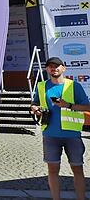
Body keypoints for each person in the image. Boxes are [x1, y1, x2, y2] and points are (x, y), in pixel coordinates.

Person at [30, 57, 89, 200]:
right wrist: (35, 108)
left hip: (72, 136)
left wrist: (68, 105)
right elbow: (35, 103)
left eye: (57, 66)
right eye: (50, 66)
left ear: (64, 68)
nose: (53, 68)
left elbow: (87, 106)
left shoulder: (74, 86)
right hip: (50, 135)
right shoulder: (41, 86)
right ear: (47, 69)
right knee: (52, 170)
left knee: (77, 170)